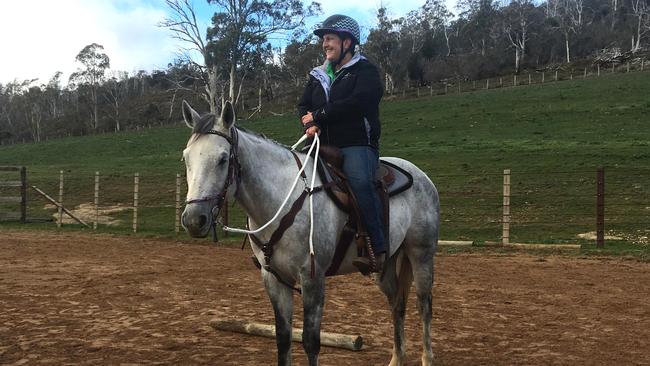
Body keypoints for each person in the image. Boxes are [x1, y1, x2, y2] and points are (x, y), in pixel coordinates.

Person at [298, 14, 385, 273]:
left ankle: (376, 248)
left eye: (330, 39)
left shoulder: (365, 71)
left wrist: (319, 116)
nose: (325, 44)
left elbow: (358, 103)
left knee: (359, 182)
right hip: (321, 144)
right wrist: (309, 124)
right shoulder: (318, 75)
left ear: (347, 42)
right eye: (324, 40)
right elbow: (303, 105)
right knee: (295, 178)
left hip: (357, 143)